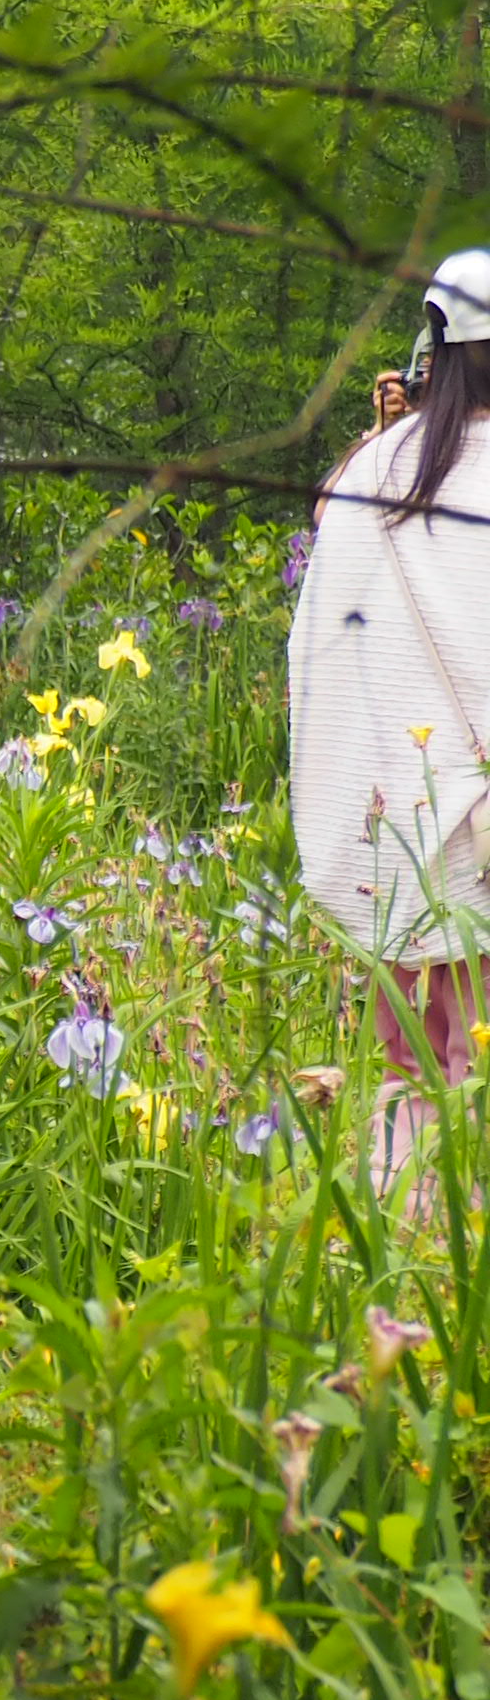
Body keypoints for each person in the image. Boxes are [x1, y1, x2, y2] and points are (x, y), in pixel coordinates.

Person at [292, 244, 490, 1190]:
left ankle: (402, 1277)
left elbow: (318, 661)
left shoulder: (368, 472)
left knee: (413, 1070)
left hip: (401, 844)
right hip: (481, 838)